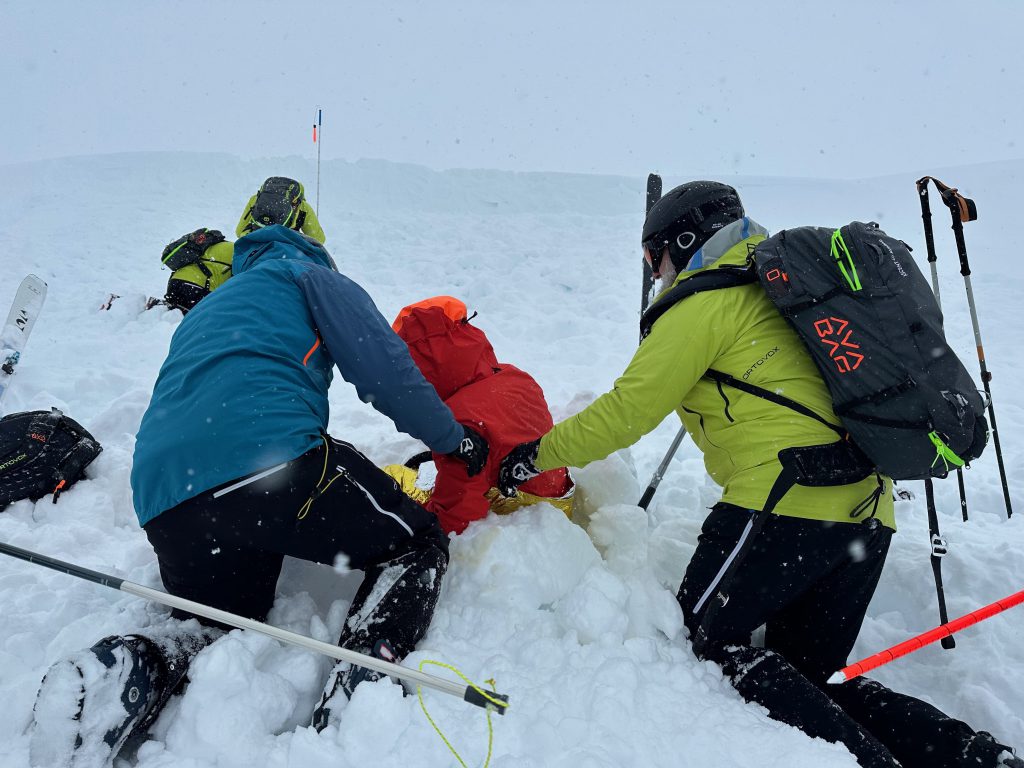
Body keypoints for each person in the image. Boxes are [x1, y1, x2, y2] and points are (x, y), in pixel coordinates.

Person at [497, 181, 1022, 768]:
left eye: (654, 257)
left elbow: (627, 412)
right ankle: (974, 758)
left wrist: (529, 458)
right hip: (868, 514)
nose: (655, 272)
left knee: (701, 657)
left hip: (781, 505)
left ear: (683, 241)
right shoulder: (788, 287)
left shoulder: (703, 304)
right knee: (811, 680)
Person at [30, 225, 488, 765]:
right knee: (416, 544)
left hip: (166, 498)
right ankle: (363, 677)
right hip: (267, 461)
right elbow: (384, 371)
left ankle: (135, 668)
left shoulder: (211, 306)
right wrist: (453, 439)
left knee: (219, 620)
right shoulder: (310, 276)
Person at [384, 295, 574, 535]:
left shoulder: (458, 421)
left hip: (523, 516)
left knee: (390, 478)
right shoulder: (514, 376)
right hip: (558, 495)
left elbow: (457, 516)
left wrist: (418, 521)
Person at [160, 227, 234, 312]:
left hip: (175, 283)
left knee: (173, 312)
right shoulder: (235, 249)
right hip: (197, 288)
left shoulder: (199, 247)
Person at [235, 176, 326, 244]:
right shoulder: (303, 207)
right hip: (286, 247)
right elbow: (318, 240)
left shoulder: (255, 199)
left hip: (255, 243)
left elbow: (239, 231)